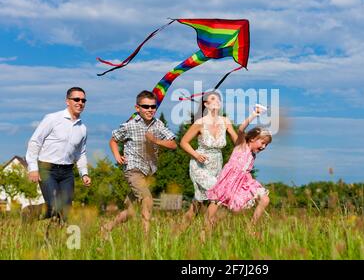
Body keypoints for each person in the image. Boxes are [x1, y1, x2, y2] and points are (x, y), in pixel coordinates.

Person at [103, 90, 177, 234]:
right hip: (133, 169)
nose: (150, 110)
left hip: (148, 172)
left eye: (153, 107)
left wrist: (156, 140)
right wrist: (117, 155)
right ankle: (146, 240)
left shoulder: (159, 125)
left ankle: (107, 227)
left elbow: (173, 144)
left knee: (131, 212)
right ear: (137, 108)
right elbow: (113, 140)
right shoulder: (130, 125)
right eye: (145, 106)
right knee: (147, 199)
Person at [26, 87, 91, 223]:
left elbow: (80, 153)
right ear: (67, 101)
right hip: (47, 169)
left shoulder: (82, 128)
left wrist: (84, 173)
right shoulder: (52, 119)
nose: (80, 102)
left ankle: (57, 240)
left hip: (67, 172)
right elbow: (35, 142)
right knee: (55, 206)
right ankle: (30, 212)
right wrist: (33, 167)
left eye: (83, 100)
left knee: (65, 211)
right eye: (76, 99)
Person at [206, 106, 271, 229]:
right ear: (252, 139)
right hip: (229, 179)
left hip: (245, 181)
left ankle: (251, 227)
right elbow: (241, 129)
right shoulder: (241, 145)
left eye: (266, 145)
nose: (264, 147)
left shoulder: (253, 154)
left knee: (265, 199)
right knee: (217, 201)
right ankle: (206, 228)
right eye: (262, 143)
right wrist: (254, 114)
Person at [180, 92, 238, 223]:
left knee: (198, 204)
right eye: (213, 98)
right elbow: (183, 142)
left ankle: (178, 232)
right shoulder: (200, 123)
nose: (217, 100)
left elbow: (237, 142)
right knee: (218, 192)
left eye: (218, 99)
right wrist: (196, 155)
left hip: (217, 165)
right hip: (200, 165)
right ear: (206, 104)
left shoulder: (225, 121)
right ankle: (207, 228)